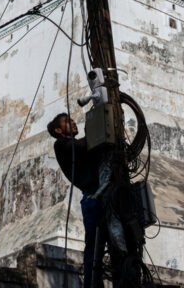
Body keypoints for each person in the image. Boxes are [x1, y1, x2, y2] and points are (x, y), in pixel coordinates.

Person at [47, 113, 105, 288]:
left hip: (104, 194)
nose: (72, 122)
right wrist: (98, 129)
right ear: (58, 130)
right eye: (67, 121)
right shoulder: (61, 145)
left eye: (72, 120)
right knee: (93, 247)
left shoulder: (77, 146)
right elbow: (81, 145)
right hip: (92, 198)